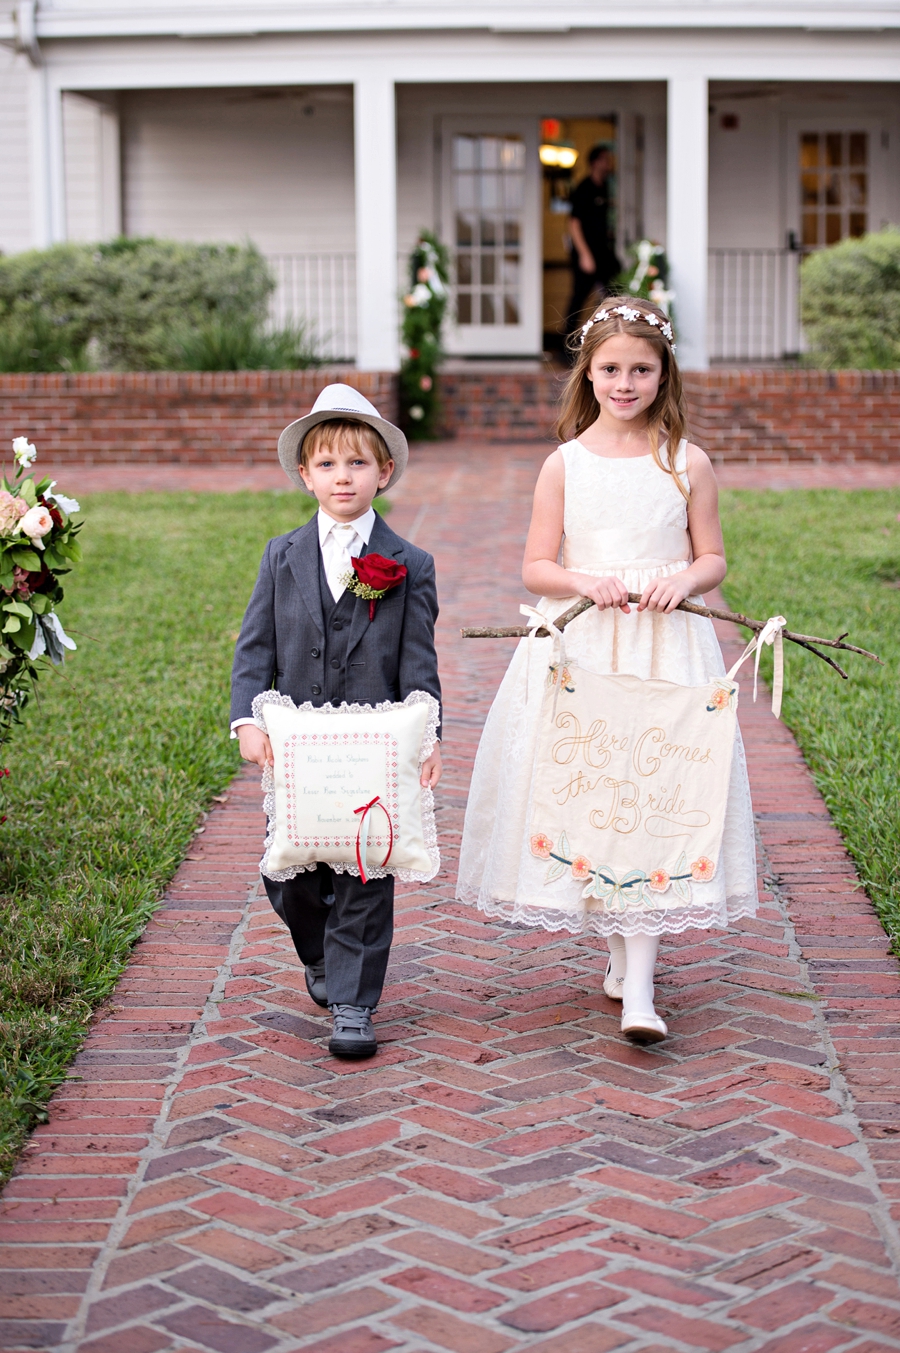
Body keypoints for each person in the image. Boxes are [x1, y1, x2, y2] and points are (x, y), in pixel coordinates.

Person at [456, 302, 757, 1044]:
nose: (626, 383)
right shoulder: (565, 464)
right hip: (589, 651)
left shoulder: (686, 460)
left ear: (664, 374)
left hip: (665, 648)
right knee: (598, 796)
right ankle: (622, 960)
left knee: (655, 796)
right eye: (612, 368)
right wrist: (581, 581)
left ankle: (641, 989)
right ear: (588, 373)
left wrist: (685, 580)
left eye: (642, 369)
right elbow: (535, 563)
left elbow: (713, 555)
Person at [231, 384, 442, 1059]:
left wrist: (427, 732)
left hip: (371, 754)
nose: (341, 476)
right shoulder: (280, 555)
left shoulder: (409, 565)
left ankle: (354, 1001)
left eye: (356, 464)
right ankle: (319, 951)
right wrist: (248, 720)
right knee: (288, 876)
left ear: (384, 472)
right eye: (327, 464)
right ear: (305, 475)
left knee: (363, 873)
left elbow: (418, 661)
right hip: (295, 752)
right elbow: (255, 648)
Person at [563, 146, 621, 345]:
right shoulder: (584, 188)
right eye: (605, 159)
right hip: (586, 252)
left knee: (615, 287)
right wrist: (584, 254)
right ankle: (567, 343)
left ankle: (603, 332)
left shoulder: (604, 187)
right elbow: (574, 223)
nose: (609, 163)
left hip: (602, 251)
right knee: (579, 297)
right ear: (594, 162)